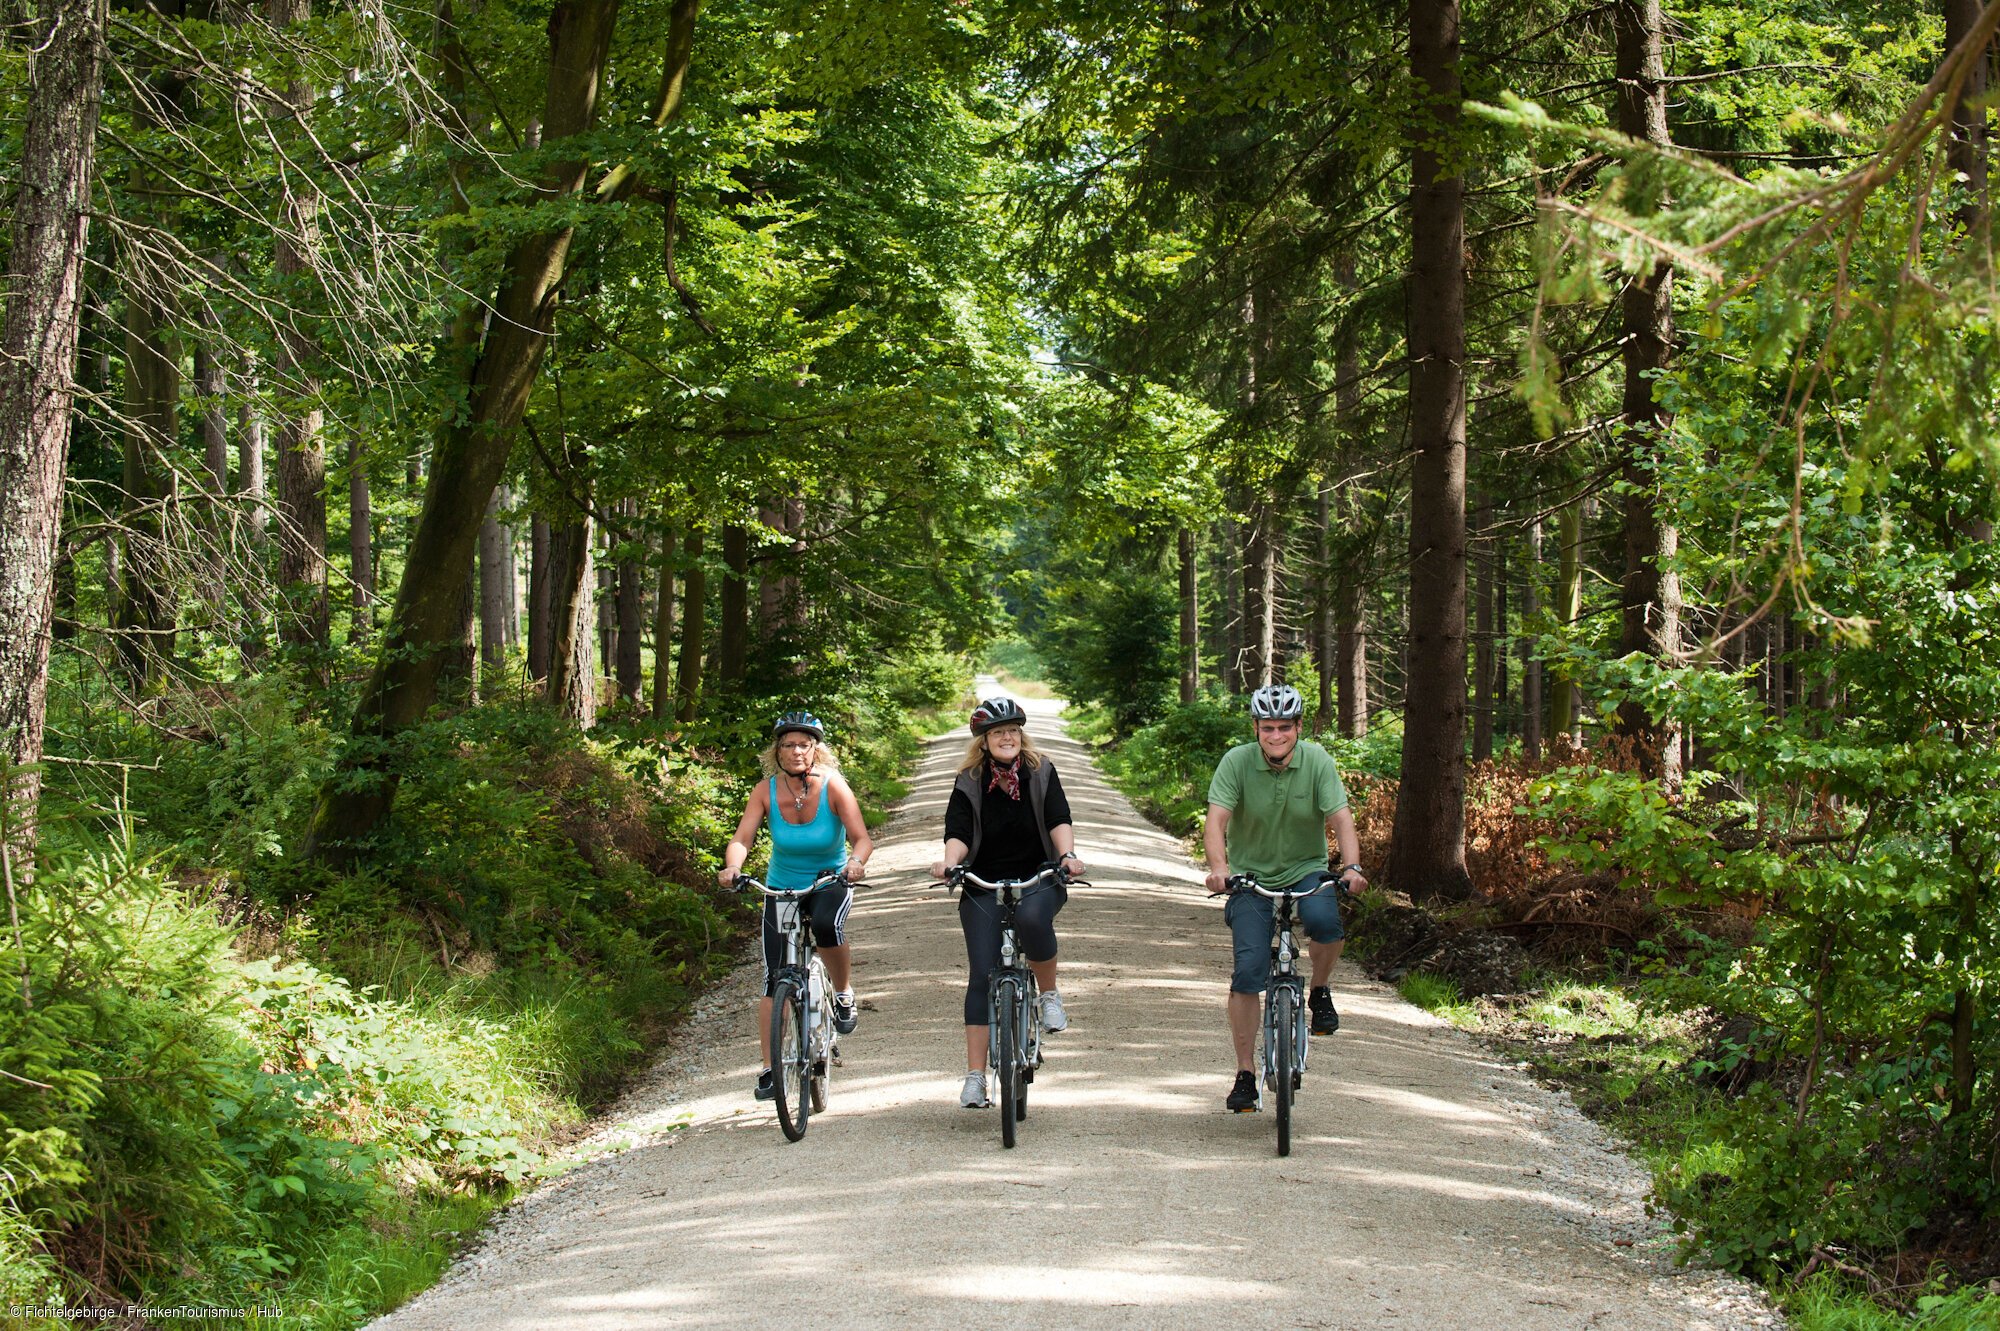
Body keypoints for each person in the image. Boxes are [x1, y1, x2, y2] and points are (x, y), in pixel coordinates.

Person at [1202, 683, 1368, 1113]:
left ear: (1298, 727)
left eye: (1285, 727)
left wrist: (1351, 868)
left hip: (1305, 868)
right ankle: (1245, 1074)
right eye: (1267, 727)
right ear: (1255, 727)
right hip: (1249, 877)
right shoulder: (1236, 762)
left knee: (1326, 923)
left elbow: (1341, 819)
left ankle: (1319, 989)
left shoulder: (1317, 761)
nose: (1276, 736)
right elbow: (1216, 821)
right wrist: (1220, 868)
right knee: (1248, 970)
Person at [930, 696, 1086, 1110]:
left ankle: (1049, 995)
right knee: (981, 975)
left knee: (1035, 921)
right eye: (998, 732)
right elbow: (958, 831)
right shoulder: (969, 780)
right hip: (983, 881)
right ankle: (975, 1077)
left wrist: (1066, 857)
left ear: (1021, 735)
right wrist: (950, 863)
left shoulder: (1041, 771)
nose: (1007, 737)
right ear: (983, 740)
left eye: (1013, 731)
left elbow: (1058, 819)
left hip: (1038, 875)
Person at [719, 710, 873, 1103]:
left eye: (804, 744)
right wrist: (733, 867)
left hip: (829, 880)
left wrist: (855, 863)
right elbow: (743, 837)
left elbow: (861, 839)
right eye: (788, 744)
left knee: (825, 926)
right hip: (782, 885)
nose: (796, 751)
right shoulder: (764, 790)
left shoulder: (835, 787)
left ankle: (842, 993)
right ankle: (772, 1068)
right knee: (774, 978)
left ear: (816, 749)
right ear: (778, 751)